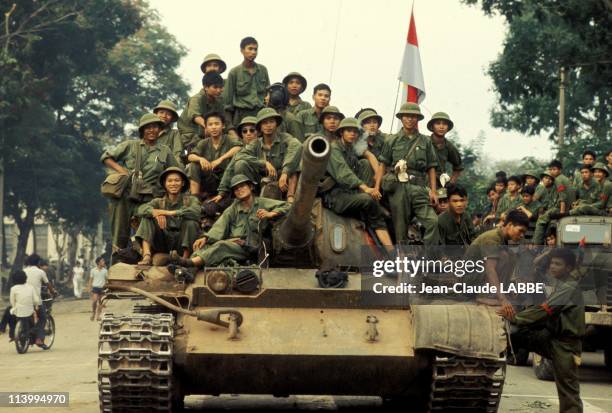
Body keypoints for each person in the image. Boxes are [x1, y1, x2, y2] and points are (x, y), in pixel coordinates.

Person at [498, 248, 584, 413]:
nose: (552, 267)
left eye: (558, 264)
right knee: (516, 334)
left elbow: (545, 310)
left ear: (569, 268)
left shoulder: (569, 287)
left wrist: (515, 317)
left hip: (566, 345)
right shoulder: (560, 284)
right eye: (552, 263)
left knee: (568, 390)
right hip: (552, 338)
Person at [171, 175, 290, 268]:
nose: (240, 190)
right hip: (234, 244)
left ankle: (188, 264)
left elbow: (289, 206)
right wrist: (205, 238)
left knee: (221, 246)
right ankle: (188, 269)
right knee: (204, 246)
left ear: (251, 187)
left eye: (243, 186)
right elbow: (220, 225)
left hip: (250, 247)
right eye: (236, 189)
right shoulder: (233, 208)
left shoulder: (262, 203)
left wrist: (271, 213)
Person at [101, 113, 179, 250]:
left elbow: (176, 170)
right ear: (142, 130)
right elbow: (106, 157)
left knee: (148, 233)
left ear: (159, 129)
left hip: (150, 198)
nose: (151, 130)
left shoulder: (165, 151)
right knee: (119, 236)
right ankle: (117, 264)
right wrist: (123, 171)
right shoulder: (130, 146)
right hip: (125, 196)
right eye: (147, 127)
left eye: (155, 127)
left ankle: (145, 260)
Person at [321, 118, 392, 246]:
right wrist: (365, 189)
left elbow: (362, 166)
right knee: (368, 201)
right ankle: (391, 251)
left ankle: (390, 249)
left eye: (355, 132)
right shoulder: (334, 149)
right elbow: (343, 173)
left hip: (350, 193)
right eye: (348, 131)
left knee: (364, 164)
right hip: (335, 197)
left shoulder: (351, 150)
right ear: (341, 133)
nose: (352, 134)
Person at [379, 102, 440, 245]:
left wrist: (433, 191)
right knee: (400, 228)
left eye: (413, 116)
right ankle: (402, 263)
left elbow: (431, 167)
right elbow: (383, 164)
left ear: (418, 119)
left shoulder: (425, 141)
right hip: (398, 187)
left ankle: (427, 260)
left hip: (419, 188)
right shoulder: (392, 140)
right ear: (401, 118)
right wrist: (377, 188)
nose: (410, 119)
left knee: (433, 222)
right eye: (407, 116)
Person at [230, 108, 302, 202]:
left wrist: (285, 172)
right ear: (260, 127)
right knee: (240, 164)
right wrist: (264, 163)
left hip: (282, 179)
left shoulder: (285, 138)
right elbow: (239, 156)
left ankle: (290, 196)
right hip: (260, 181)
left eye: (271, 122)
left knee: (296, 160)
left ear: (276, 124)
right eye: (264, 123)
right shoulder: (255, 143)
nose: (268, 126)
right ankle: (250, 196)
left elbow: (297, 145)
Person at [467, 209, 529, 316]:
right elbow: (490, 269)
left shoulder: (502, 238)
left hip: (478, 276)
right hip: (469, 280)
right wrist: (503, 299)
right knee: (504, 256)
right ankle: (484, 296)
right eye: (520, 230)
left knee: (511, 255)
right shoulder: (492, 238)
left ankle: (495, 294)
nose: (522, 235)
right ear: (509, 225)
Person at [135, 167, 201, 265]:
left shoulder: (191, 200)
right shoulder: (158, 202)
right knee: (147, 218)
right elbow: (141, 209)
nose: (173, 184)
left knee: (191, 222)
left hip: (181, 242)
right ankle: (146, 256)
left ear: (182, 183)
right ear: (165, 184)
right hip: (163, 242)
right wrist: (155, 213)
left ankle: (184, 260)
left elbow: (196, 211)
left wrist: (169, 213)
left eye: (177, 180)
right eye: (169, 181)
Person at [186, 111, 243, 196]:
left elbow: (239, 147)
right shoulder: (204, 142)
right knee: (193, 165)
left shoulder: (229, 139)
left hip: (227, 178)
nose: (213, 127)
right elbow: (190, 156)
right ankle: (195, 198)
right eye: (210, 124)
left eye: (217, 124)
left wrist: (221, 159)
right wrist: (200, 159)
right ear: (206, 127)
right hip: (209, 179)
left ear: (223, 126)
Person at [224, 37, 270, 127]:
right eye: (250, 49)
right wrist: (230, 128)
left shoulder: (263, 70)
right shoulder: (234, 72)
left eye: (255, 49)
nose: (253, 52)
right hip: (241, 117)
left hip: (260, 115)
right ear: (242, 50)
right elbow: (227, 104)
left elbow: (269, 91)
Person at [177, 72, 227, 148]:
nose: (219, 90)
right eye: (215, 87)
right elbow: (195, 116)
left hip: (207, 133)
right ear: (206, 87)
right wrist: (208, 127)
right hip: (189, 134)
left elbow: (222, 120)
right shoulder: (196, 99)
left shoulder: (218, 102)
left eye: (220, 87)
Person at [533, 164, 571, 244]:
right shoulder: (543, 188)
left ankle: (536, 244)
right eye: (546, 178)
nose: (547, 180)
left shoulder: (557, 183)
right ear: (542, 179)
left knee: (541, 220)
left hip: (557, 209)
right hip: (550, 210)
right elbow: (538, 201)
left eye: (550, 179)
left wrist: (562, 213)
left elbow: (562, 199)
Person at [10, 270, 47, 348]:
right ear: (25, 278)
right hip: (29, 310)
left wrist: (14, 307)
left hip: (18, 311)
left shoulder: (13, 288)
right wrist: (36, 306)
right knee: (38, 319)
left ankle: (12, 333)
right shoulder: (30, 287)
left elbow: (12, 301)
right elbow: (36, 300)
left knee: (11, 314)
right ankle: (36, 336)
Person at [427, 112, 463, 184]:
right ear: (432, 126)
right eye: (438, 123)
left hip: (439, 183)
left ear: (448, 127)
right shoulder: (424, 142)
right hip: (422, 182)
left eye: (444, 124)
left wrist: (451, 183)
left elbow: (458, 167)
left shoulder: (449, 147)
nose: (441, 127)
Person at [88, 257, 108, 321]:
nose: (104, 262)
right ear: (98, 262)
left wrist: (107, 286)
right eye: (102, 261)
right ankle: (93, 312)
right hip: (95, 288)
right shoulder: (93, 270)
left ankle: (98, 315)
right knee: (94, 301)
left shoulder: (105, 271)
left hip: (102, 288)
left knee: (100, 302)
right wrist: (89, 288)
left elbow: (107, 280)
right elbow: (91, 280)